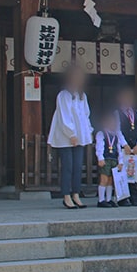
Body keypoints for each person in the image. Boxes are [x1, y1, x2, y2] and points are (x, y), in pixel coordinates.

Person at [47, 65, 93, 210]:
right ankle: (66, 195)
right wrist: (71, 134)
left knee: (78, 166)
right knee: (68, 166)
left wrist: (88, 131)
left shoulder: (82, 95)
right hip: (66, 137)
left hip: (79, 136)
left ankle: (76, 194)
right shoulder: (64, 95)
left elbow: (86, 115)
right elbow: (64, 116)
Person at [115, 87, 137, 207]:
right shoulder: (117, 113)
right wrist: (124, 144)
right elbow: (117, 130)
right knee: (123, 173)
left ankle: (134, 197)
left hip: (135, 148)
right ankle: (123, 198)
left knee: (133, 172)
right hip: (123, 147)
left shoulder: (136, 113)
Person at [94, 111, 128, 208]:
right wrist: (100, 157)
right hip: (105, 159)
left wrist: (120, 162)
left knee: (110, 180)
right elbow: (99, 147)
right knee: (104, 179)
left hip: (113, 159)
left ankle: (109, 199)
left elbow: (119, 150)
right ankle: (101, 200)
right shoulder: (101, 133)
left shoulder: (116, 136)